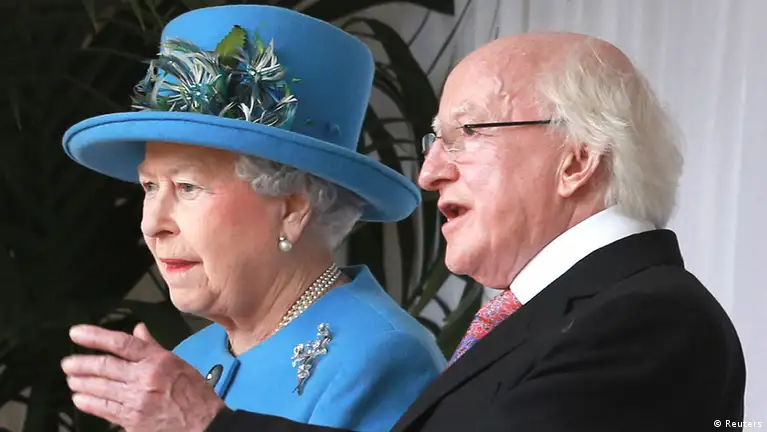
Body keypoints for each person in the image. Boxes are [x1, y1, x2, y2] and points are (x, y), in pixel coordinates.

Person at [61, 30, 747, 432]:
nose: (429, 173)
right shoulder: (563, 315)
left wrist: (209, 424)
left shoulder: (650, 319)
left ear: (575, 159)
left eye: (465, 135)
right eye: (433, 140)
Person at [58, 4, 447, 432]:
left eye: (187, 187)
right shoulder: (189, 359)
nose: (153, 225)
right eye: (149, 187)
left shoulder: (381, 359)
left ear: (292, 208)